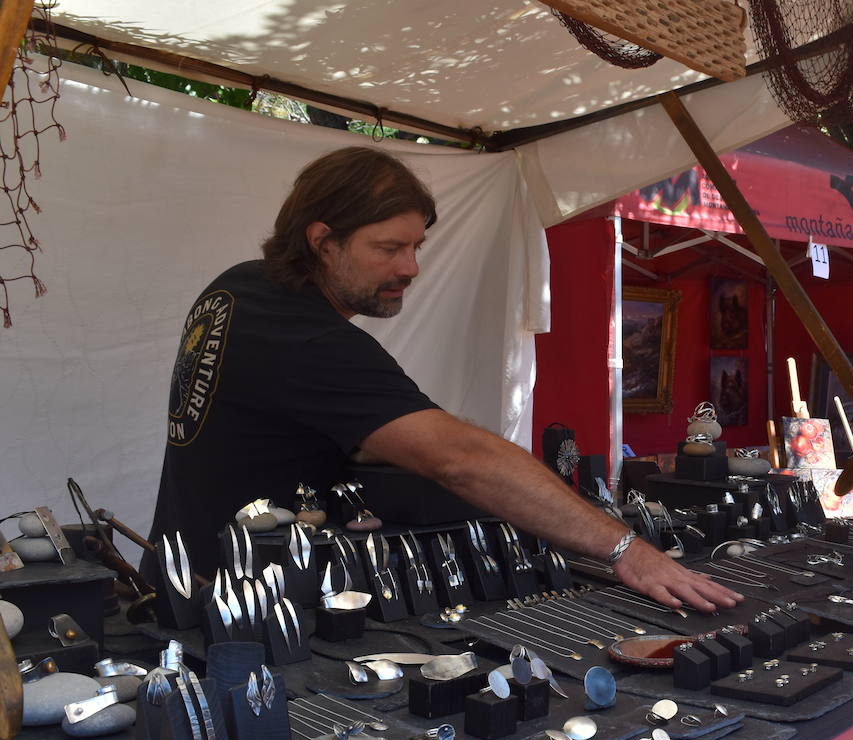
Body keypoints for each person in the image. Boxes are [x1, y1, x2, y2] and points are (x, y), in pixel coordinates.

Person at [147, 146, 740, 613]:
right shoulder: (311, 340)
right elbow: (457, 459)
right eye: (388, 248)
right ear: (322, 240)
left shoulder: (242, 285)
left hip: (193, 575)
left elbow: (270, 424)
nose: (410, 268)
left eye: (416, 246)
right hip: (234, 608)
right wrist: (626, 549)